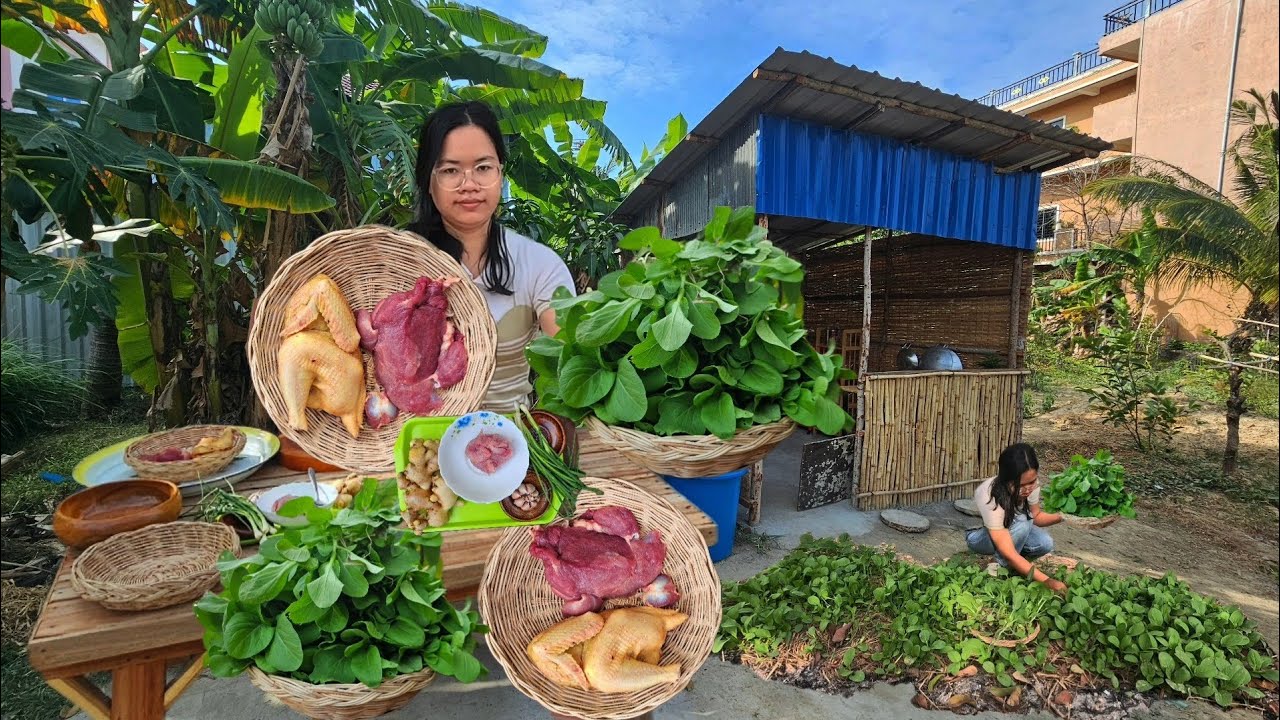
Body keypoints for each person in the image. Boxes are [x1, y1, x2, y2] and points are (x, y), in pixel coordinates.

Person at [408, 100, 576, 414]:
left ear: (501, 173)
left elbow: (574, 356)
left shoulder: (539, 264)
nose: (469, 185)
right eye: (450, 170)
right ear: (428, 181)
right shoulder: (399, 260)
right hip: (416, 436)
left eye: (483, 168)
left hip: (509, 434)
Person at [965, 443, 1067, 594]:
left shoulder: (1031, 485)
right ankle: (995, 568)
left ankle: (1016, 566)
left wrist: (1064, 516)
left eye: (1032, 482)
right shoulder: (988, 495)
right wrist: (1047, 581)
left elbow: (1037, 517)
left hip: (1013, 531)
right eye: (1020, 485)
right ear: (1006, 480)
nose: (1027, 489)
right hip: (981, 539)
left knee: (1044, 543)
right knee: (1023, 520)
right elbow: (1009, 552)